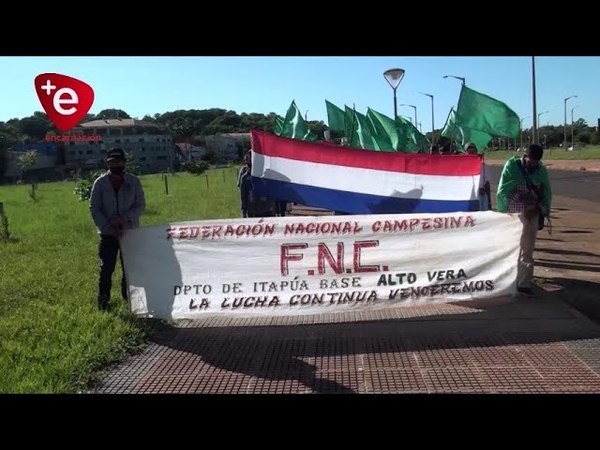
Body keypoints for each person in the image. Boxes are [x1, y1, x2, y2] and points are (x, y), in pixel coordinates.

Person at [90, 148, 146, 311]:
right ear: (107, 163)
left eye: (118, 161)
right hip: (108, 234)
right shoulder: (100, 183)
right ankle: (103, 302)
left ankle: (129, 300)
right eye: (111, 162)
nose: (115, 164)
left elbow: (140, 205)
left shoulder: (133, 181)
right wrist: (108, 227)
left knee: (129, 269)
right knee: (106, 269)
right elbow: (94, 208)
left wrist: (124, 219)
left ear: (124, 162)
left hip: (130, 232)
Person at [496, 144, 552, 296]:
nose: (534, 165)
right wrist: (516, 207)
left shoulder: (541, 171)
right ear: (525, 156)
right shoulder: (512, 166)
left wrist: (541, 210)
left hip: (532, 213)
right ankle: (508, 278)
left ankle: (524, 282)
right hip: (514, 213)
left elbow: (546, 192)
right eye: (532, 161)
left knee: (527, 248)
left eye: (537, 162)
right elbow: (504, 190)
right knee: (513, 246)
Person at [464, 142, 492, 210]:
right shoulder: (463, 167)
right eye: (469, 152)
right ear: (465, 153)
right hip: (468, 197)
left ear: (476, 152)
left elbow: (487, 184)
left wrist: (489, 202)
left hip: (481, 197)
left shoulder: (483, 166)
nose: (471, 154)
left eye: (473, 152)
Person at [237, 151, 254, 218]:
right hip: (251, 207)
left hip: (265, 208)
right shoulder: (244, 174)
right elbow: (243, 194)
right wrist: (244, 209)